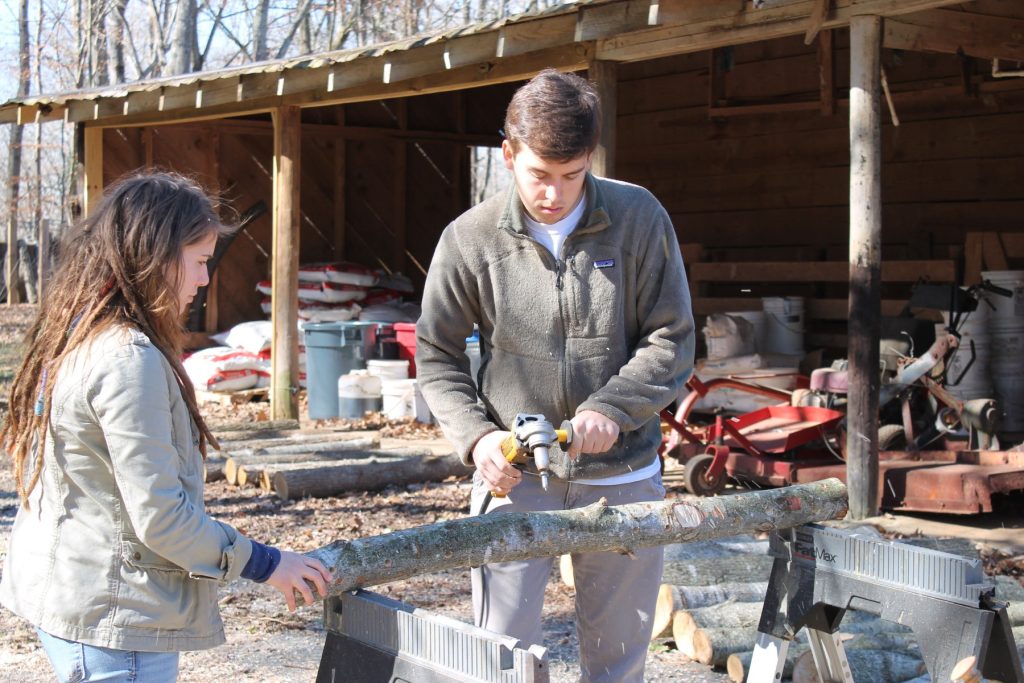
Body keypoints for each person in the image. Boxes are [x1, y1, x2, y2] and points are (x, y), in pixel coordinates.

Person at [416, 69, 695, 682]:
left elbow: (671, 338)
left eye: (572, 175)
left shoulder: (638, 216)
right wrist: (477, 437)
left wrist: (614, 408)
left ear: (591, 157)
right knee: (500, 656)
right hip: (514, 474)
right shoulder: (469, 239)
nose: (554, 194)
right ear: (509, 153)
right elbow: (435, 355)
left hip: (623, 474)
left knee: (619, 658)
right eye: (540, 174)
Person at [0, 172, 333, 682]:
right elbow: (162, 520)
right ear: (153, 257)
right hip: (116, 620)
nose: (205, 279)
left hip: (79, 600)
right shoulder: (127, 360)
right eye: (199, 262)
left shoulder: (80, 334)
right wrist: (267, 563)